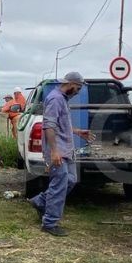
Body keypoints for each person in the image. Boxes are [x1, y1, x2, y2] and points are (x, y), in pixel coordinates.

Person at [29, 72, 89, 236]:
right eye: (78, 87)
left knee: (71, 180)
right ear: (70, 83)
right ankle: (49, 223)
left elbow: (61, 124)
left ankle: (40, 201)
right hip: (58, 151)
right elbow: (49, 126)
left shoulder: (62, 99)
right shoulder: (55, 99)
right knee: (59, 184)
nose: (78, 91)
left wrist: (77, 132)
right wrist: (54, 151)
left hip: (66, 149)